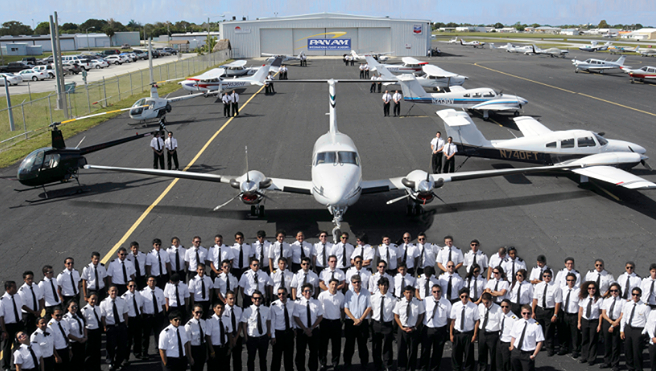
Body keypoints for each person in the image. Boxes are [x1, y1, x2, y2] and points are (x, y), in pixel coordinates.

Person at [419, 282, 451, 371]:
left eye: (438, 291)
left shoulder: (446, 302)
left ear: (441, 292)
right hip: (428, 328)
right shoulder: (426, 300)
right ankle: (423, 368)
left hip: (441, 329)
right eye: (434, 291)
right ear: (431, 292)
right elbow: (422, 314)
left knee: (438, 351)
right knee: (425, 350)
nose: (436, 293)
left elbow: (449, 318)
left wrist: (447, 330)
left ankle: (434, 368)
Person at [530, 268, 561, 357]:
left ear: (551, 277)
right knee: (538, 329)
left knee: (549, 331)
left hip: (549, 311)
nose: (546, 277)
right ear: (542, 277)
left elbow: (557, 302)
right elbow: (535, 299)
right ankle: (538, 347)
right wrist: (533, 311)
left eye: (548, 276)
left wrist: (555, 314)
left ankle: (549, 348)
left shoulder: (556, 287)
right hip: (540, 310)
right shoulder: (538, 286)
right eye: (545, 276)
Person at [343, 275, 371, 369]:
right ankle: (347, 362)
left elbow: (369, 307)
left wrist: (361, 319)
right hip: (351, 322)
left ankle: (364, 363)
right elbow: (346, 309)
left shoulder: (366, 292)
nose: (356, 284)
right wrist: (354, 319)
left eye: (358, 282)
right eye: (354, 282)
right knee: (349, 344)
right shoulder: (348, 293)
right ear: (351, 283)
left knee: (362, 344)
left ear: (361, 282)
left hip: (363, 321)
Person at [293, 283, 323, 371]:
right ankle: (301, 369)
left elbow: (320, 316)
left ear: (312, 292)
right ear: (302, 292)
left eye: (309, 291)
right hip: (301, 331)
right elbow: (296, 317)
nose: (308, 293)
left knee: (314, 352)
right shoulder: (297, 303)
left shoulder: (317, 302)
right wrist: (305, 329)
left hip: (314, 330)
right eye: (305, 291)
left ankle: (313, 368)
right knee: (300, 352)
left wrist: (311, 328)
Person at [620, 287, 650, 371]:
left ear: (640, 295)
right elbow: (624, 318)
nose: (635, 296)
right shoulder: (628, 304)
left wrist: (643, 333)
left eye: (637, 295)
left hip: (638, 330)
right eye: (633, 294)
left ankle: (638, 369)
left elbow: (648, 322)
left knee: (637, 352)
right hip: (628, 329)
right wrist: (622, 330)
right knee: (627, 350)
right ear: (631, 295)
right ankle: (630, 368)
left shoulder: (645, 307)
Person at [449, 288, 479, 371]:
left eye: (466, 296)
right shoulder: (455, 306)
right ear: (460, 297)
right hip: (458, 333)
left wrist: (475, 334)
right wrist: (451, 334)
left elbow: (477, 321)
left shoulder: (474, 307)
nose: (464, 298)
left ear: (468, 296)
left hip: (468, 334)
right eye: (462, 296)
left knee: (469, 355)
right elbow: (452, 320)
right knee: (456, 355)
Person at [317, 279, 344, 370]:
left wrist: (342, 320)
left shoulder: (341, 296)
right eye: (332, 284)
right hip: (325, 322)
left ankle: (335, 362)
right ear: (329, 285)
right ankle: (322, 363)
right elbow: (318, 308)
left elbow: (342, 309)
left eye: (336, 284)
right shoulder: (322, 295)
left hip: (336, 322)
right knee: (323, 344)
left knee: (336, 345)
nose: (334, 286)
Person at [100, 285, 129, 370]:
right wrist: (105, 327)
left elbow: (125, 314)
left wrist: (125, 325)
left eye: (115, 291)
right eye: (112, 291)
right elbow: (102, 317)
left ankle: (118, 362)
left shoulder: (122, 301)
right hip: (111, 327)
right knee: (110, 346)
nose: (114, 292)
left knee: (122, 346)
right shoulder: (104, 303)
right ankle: (110, 362)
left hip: (121, 326)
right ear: (108, 292)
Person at [242, 290, 271, 371]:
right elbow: (244, 324)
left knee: (263, 360)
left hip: (263, 338)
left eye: (259, 298)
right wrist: (246, 337)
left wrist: (269, 334)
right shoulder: (247, 310)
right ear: (252, 299)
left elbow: (268, 321)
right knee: (251, 359)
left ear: (262, 299)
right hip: (252, 338)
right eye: (255, 298)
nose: (257, 300)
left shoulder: (266, 309)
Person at [371, 277, 396, 371]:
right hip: (376, 324)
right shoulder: (373, 297)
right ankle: (377, 364)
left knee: (388, 346)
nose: (383, 287)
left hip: (387, 325)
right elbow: (371, 310)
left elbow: (395, 313)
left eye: (385, 285)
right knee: (376, 346)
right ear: (378, 286)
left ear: (388, 286)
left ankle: (387, 365)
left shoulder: (393, 299)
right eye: (381, 285)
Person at [509, 305, 544, 371]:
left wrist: (534, 355)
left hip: (527, 353)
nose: (526, 315)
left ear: (531, 313)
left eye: (528, 313)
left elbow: (540, 341)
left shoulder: (536, 325)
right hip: (516, 351)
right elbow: (513, 336)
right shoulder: (517, 323)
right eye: (524, 313)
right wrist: (512, 347)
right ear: (521, 313)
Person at [141, 275, 167, 360]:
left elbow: (163, 304)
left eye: (153, 281)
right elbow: (140, 306)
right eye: (150, 281)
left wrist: (163, 314)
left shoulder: (159, 291)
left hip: (158, 316)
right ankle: (145, 352)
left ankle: (159, 350)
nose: (152, 282)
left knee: (158, 335)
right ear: (147, 282)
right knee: (146, 336)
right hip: (147, 317)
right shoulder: (142, 293)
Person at [600, 282, 624, 371]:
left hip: (617, 323)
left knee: (615, 345)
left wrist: (614, 324)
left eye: (616, 290)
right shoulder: (606, 300)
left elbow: (622, 314)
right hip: (608, 321)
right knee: (607, 343)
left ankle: (615, 364)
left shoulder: (622, 301)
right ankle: (607, 361)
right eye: (612, 290)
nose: (614, 292)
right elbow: (603, 313)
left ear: (619, 291)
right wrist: (611, 322)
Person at [270, 287, 295, 371]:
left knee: (289, 358)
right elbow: (272, 321)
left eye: (283, 293)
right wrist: (273, 336)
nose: (281, 295)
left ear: (287, 293)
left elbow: (293, 318)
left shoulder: (292, 303)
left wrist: (294, 329)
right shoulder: (274, 305)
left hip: (289, 333)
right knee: (276, 358)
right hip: (278, 334)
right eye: (279, 294)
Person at [2, 281, 25, 370]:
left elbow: (21, 307)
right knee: (7, 347)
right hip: (9, 326)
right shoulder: (2, 300)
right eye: (13, 287)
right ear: (8, 288)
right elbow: (1, 317)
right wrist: (4, 330)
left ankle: (16, 363)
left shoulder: (17, 296)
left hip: (18, 324)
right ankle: (6, 366)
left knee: (18, 345)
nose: (16, 289)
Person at [558, 273, 581, 357]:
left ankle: (575, 350)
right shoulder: (563, 289)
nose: (570, 282)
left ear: (575, 281)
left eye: (572, 280)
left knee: (575, 334)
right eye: (568, 280)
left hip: (574, 315)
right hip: (564, 314)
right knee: (563, 332)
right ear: (566, 281)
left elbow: (580, 305)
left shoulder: (579, 291)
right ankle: (563, 348)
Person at [478, 292, 502, 371]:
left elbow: (501, 322)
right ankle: (482, 369)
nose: (485, 305)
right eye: (483, 302)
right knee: (481, 353)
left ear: (491, 300)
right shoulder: (480, 306)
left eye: (487, 303)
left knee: (493, 354)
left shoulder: (498, 309)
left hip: (493, 334)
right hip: (482, 332)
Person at [207, 302, 233, 370]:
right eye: (218, 308)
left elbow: (230, 333)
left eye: (221, 308)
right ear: (214, 309)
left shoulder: (227, 319)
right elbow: (208, 337)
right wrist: (212, 350)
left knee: (225, 367)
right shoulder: (210, 320)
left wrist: (230, 347)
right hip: (215, 348)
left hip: (225, 347)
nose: (220, 310)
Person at [122, 279, 144, 361]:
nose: (132, 287)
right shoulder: (124, 297)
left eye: (134, 286)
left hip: (137, 318)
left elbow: (140, 306)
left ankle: (137, 353)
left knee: (138, 338)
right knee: (128, 340)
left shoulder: (138, 294)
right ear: (127, 287)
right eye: (130, 286)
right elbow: (123, 312)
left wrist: (141, 316)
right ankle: (125, 358)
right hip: (129, 319)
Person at [81, 292, 102, 371]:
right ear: (88, 299)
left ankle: (97, 368)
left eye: (96, 299)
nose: (94, 301)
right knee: (89, 353)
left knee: (97, 352)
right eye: (92, 299)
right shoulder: (84, 310)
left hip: (97, 331)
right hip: (89, 332)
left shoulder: (98, 308)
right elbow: (83, 324)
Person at [184, 304, 209, 371]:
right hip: (194, 349)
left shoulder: (203, 322)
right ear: (193, 312)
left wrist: (206, 352)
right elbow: (188, 342)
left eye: (200, 312)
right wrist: (190, 356)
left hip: (202, 348)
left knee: (201, 367)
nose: (199, 314)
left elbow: (205, 338)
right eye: (197, 312)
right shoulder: (188, 325)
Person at [63, 300, 86, 370]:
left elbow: (84, 326)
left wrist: (85, 337)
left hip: (81, 341)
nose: (74, 308)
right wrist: (78, 339)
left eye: (76, 306)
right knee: (74, 363)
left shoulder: (77, 315)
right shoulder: (66, 318)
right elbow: (67, 334)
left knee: (81, 361)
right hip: (73, 343)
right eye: (72, 307)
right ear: (68, 308)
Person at [224, 291, 244, 371]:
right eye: (230, 299)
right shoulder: (223, 310)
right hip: (227, 338)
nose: (232, 300)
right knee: (226, 362)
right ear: (226, 299)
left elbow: (240, 324)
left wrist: (236, 337)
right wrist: (231, 339)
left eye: (234, 298)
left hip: (237, 337)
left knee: (237, 361)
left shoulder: (239, 309)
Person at [497, 299, 518, 371]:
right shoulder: (501, 315)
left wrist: (512, 345)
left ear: (511, 306)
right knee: (499, 362)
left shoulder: (514, 319)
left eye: (506, 306)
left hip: (508, 342)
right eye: (502, 307)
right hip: (500, 340)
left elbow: (516, 334)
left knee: (507, 363)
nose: (504, 308)